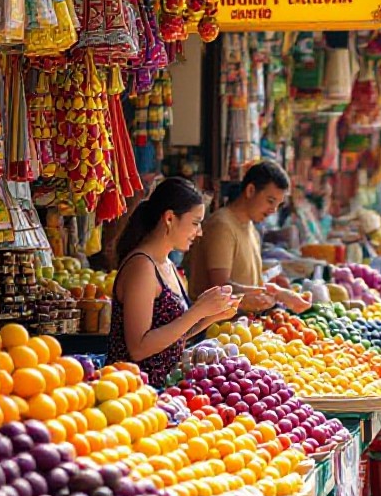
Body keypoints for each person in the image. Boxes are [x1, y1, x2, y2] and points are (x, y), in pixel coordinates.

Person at [106, 178, 239, 387]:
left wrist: (208, 316)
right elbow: (139, 348)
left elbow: (173, 337)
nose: (200, 231)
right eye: (195, 223)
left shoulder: (167, 265)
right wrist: (197, 311)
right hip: (132, 394)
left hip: (162, 391)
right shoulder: (142, 267)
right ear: (169, 218)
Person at [188, 160, 311, 313]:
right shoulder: (222, 226)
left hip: (244, 327)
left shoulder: (252, 229)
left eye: (278, 205)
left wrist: (277, 291)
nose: (273, 210)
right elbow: (221, 289)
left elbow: (250, 285)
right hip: (215, 330)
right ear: (251, 190)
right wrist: (276, 294)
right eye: (270, 201)